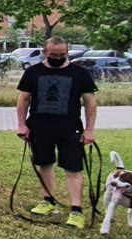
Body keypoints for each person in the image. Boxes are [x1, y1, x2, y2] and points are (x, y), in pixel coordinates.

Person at [16, 37, 98, 229]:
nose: (58, 58)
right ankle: (48, 201)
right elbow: (23, 100)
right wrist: (22, 125)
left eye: (62, 55)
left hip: (70, 129)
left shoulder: (80, 73)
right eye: (54, 55)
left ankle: (76, 210)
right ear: (44, 53)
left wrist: (89, 130)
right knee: (44, 164)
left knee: (73, 169)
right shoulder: (32, 72)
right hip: (39, 127)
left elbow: (90, 103)